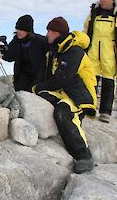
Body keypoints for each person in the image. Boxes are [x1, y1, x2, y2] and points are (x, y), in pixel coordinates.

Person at [32, 17, 97, 174]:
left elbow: (62, 78)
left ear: (57, 33)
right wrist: (36, 88)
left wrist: (38, 87)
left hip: (79, 95)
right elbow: (45, 76)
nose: (46, 34)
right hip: (63, 92)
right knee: (41, 95)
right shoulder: (55, 51)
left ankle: (83, 156)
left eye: (49, 31)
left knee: (63, 112)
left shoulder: (74, 51)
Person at [83, 0, 116, 123]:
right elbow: (85, 30)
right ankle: (90, 108)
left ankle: (105, 112)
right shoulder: (93, 13)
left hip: (110, 52)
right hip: (93, 51)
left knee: (109, 81)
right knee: (91, 80)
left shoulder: (115, 15)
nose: (102, 0)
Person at [1, 14, 48, 91]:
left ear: (28, 31)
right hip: (21, 79)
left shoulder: (41, 41)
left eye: (22, 30)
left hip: (38, 80)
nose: (19, 32)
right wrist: (2, 48)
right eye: (17, 29)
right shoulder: (15, 42)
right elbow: (9, 56)